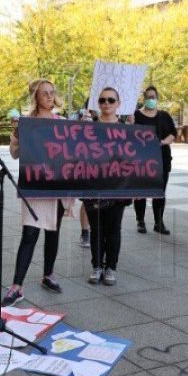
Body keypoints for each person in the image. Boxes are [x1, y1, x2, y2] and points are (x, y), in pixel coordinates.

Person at [3, 79, 76, 306]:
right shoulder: (26, 123)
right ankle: (17, 286)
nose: (49, 97)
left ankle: (48, 275)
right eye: (44, 93)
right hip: (35, 186)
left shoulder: (62, 122)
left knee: (53, 232)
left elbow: (74, 151)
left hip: (57, 186)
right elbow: (15, 154)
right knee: (30, 233)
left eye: (52, 93)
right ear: (35, 96)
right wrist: (17, 135)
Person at [83, 87, 131, 286]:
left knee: (113, 228)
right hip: (92, 185)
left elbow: (134, 161)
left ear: (118, 104)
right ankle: (96, 266)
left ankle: (110, 267)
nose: (106, 103)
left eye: (111, 100)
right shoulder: (88, 127)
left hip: (117, 187)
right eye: (102, 100)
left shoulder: (127, 130)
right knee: (96, 229)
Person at [133, 85, 176, 235]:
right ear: (143, 99)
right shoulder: (136, 115)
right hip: (142, 160)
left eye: (153, 97)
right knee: (141, 191)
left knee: (160, 192)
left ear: (157, 98)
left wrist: (163, 142)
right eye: (148, 97)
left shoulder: (164, 116)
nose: (151, 100)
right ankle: (140, 221)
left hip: (162, 159)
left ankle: (159, 222)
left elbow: (172, 134)